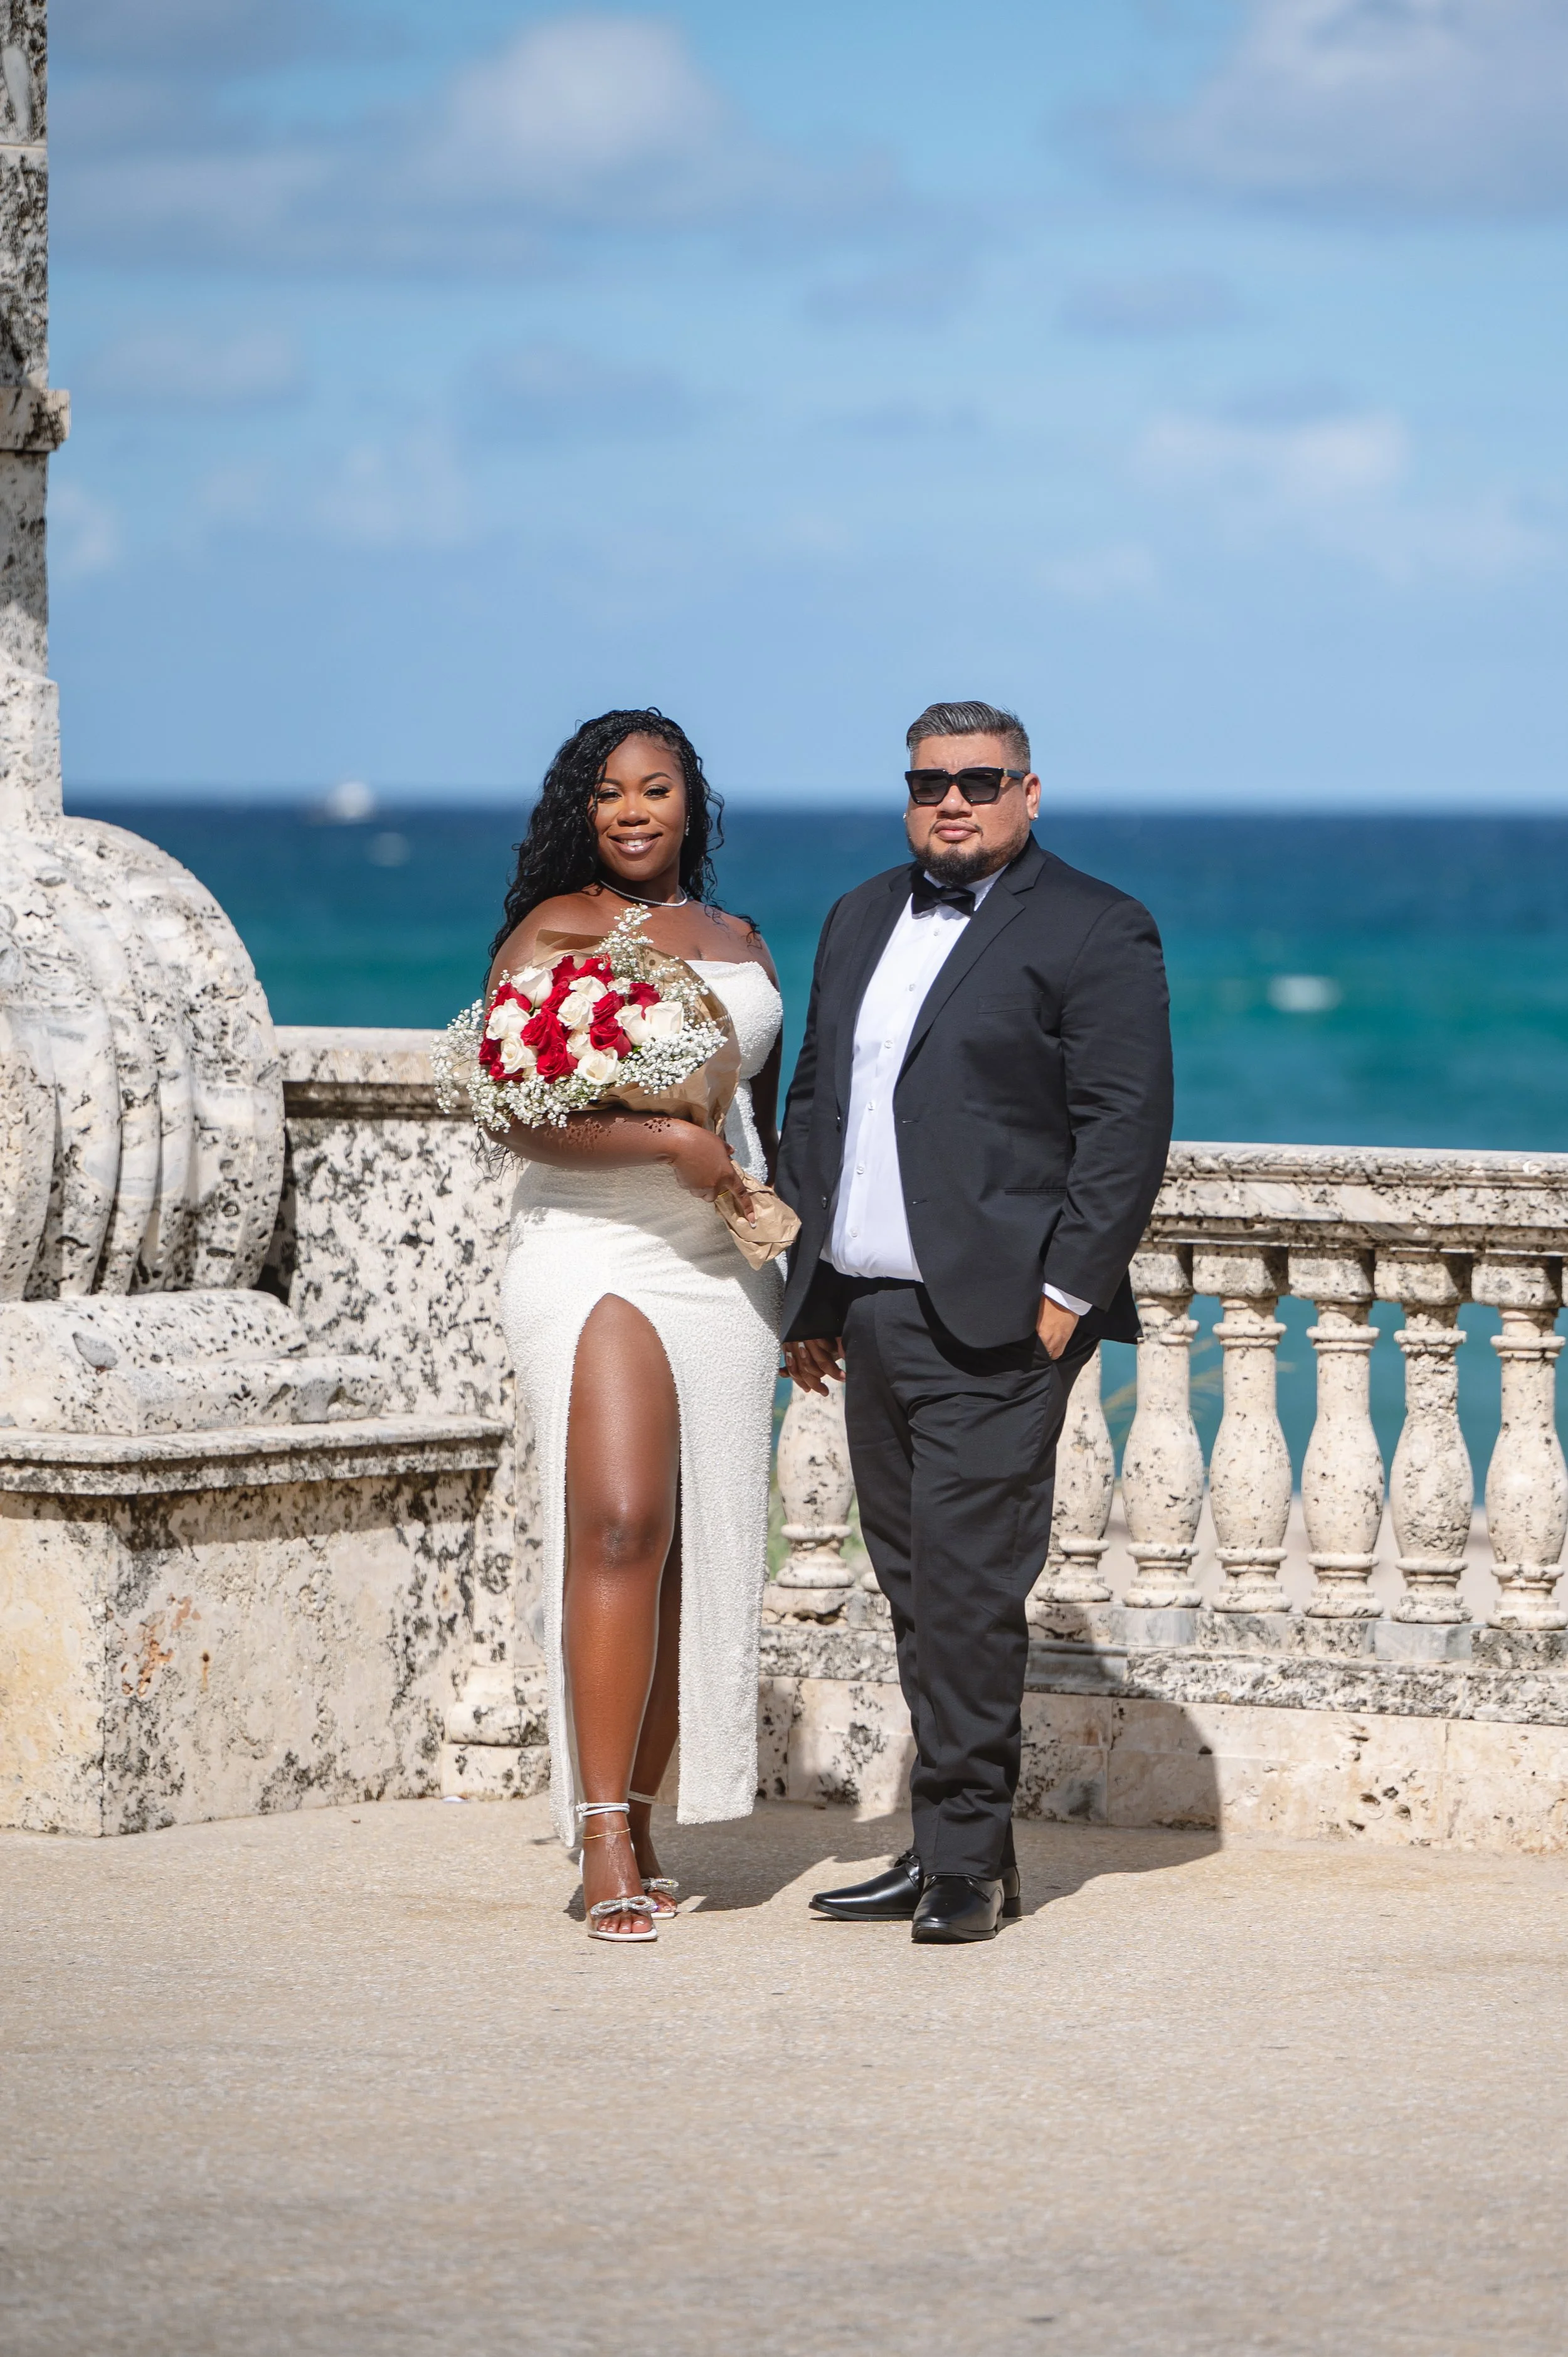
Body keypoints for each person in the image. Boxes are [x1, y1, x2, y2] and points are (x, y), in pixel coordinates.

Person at [776, 700, 1172, 1944]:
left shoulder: (1096, 924)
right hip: (870, 1312)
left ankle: (962, 1871)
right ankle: (957, 1850)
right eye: (928, 782)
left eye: (979, 780)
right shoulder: (856, 916)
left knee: (966, 1591)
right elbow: (816, 1107)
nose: (951, 800)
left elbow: (1124, 1126)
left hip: (999, 1324)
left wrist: (1064, 1298)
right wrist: (809, 1291)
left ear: (1027, 793)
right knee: (914, 1591)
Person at [490, 710, 784, 1943]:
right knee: (620, 1519)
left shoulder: (740, 939)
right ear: (582, 809)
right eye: (607, 792)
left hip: (722, 1262)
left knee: (692, 1543)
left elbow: (766, 1119)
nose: (631, 811)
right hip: (591, 1241)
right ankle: (599, 1828)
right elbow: (514, 1109)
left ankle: (649, 1814)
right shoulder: (554, 929)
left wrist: (803, 1284)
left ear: (689, 803)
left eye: (654, 789)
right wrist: (664, 1136)